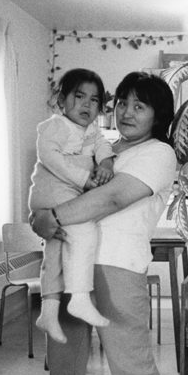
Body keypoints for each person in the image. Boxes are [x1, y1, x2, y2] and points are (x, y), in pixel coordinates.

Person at [31, 71, 177, 375]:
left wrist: (54, 217)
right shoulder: (103, 147)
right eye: (123, 103)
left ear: (157, 116)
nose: (127, 112)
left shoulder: (159, 154)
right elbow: (53, 183)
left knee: (132, 368)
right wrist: (39, 215)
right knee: (63, 368)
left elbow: (111, 199)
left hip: (116, 269)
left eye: (139, 106)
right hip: (68, 264)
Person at [28, 68, 113, 345]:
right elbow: (50, 157)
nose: (87, 105)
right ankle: (79, 297)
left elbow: (102, 147)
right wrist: (84, 179)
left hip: (66, 195)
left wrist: (106, 163)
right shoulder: (55, 126)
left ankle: (49, 311)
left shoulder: (92, 131)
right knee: (86, 232)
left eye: (94, 100)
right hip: (53, 192)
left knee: (54, 254)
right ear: (62, 100)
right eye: (79, 97)